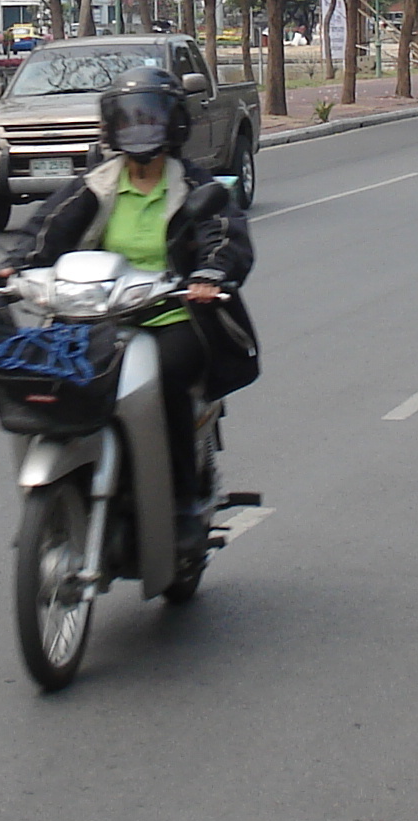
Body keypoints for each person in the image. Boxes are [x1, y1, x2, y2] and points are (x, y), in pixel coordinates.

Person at [15, 63, 256, 564]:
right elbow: (46, 231)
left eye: (150, 119)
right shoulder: (95, 184)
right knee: (42, 375)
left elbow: (224, 236)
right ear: (111, 127)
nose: (139, 130)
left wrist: (210, 275)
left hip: (170, 317)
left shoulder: (194, 184)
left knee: (167, 383)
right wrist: (11, 268)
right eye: (128, 119)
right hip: (93, 318)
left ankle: (185, 507)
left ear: (174, 126)